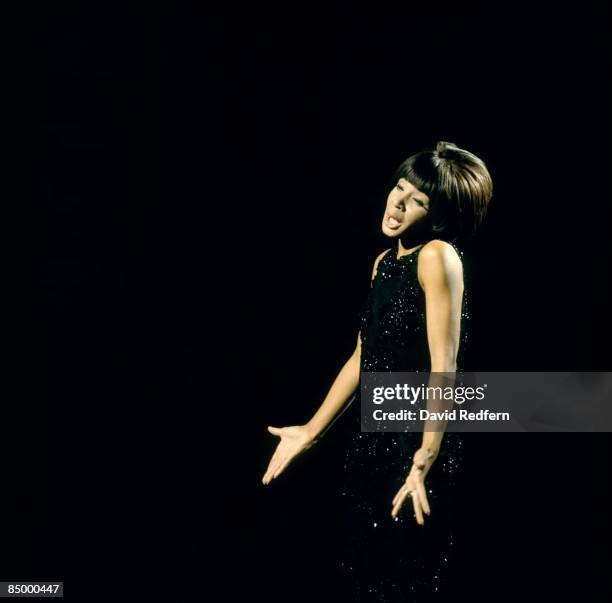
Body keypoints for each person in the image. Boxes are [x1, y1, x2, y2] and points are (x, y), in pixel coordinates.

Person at [262, 141, 493, 601]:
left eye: (419, 199)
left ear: (438, 213)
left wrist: (425, 457)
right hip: (375, 438)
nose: (398, 202)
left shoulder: (437, 256)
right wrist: (310, 431)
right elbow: (361, 358)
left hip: (419, 440)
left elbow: (443, 369)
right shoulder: (384, 263)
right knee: (361, 568)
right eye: (399, 188)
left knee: (406, 572)